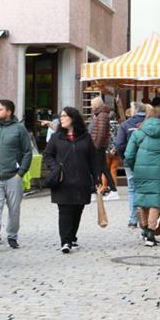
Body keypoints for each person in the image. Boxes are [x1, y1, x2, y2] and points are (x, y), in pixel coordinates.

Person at [43, 107, 101, 254]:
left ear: (73, 119)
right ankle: (65, 241)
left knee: (77, 209)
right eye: (60, 116)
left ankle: (72, 236)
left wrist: (97, 177)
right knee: (64, 211)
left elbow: (93, 159)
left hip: (81, 180)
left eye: (64, 116)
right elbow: (47, 155)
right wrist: (55, 167)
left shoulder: (86, 137)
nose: (61, 119)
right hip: (63, 181)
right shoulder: (56, 137)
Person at [125, 110, 160, 247]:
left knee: (142, 199)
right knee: (155, 201)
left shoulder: (138, 133)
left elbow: (129, 155)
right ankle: (150, 232)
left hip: (140, 170)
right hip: (159, 172)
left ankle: (144, 229)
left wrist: (135, 167)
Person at [0, 99, 32, 251]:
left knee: (14, 208)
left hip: (13, 176)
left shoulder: (19, 129)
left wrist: (21, 173)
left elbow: (27, 152)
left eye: (0, 109)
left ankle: (12, 236)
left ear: (8, 112)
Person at [114, 102, 147, 227]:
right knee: (146, 189)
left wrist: (125, 157)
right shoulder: (151, 123)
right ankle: (147, 218)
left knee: (132, 189)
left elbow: (119, 145)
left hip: (130, 161)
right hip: (147, 161)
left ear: (134, 111)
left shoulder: (126, 124)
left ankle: (133, 219)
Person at [89, 96, 119, 201]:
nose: (91, 106)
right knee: (104, 169)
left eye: (92, 104)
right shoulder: (102, 115)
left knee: (95, 169)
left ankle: (94, 191)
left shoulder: (101, 115)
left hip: (98, 147)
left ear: (97, 105)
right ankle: (112, 190)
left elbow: (101, 133)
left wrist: (95, 147)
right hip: (100, 147)